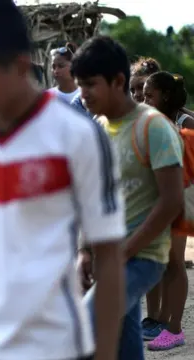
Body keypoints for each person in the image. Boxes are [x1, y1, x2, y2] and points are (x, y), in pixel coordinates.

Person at [0, 2, 126, 360]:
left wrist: (106, 354)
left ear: (19, 65)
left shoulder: (78, 136)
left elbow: (108, 257)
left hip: (55, 344)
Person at [73, 36, 184, 359]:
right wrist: (84, 250)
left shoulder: (155, 127)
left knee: (85, 325)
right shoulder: (97, 127)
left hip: (144, 257)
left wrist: (126, 251)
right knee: (126, 340)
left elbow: (171, 201)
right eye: (79, 85)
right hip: (109, 254)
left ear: (118, 81)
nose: (83, 94)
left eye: (90, 85)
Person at [140, 71, 191, 350]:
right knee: (161, 264)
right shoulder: (153, 122)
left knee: (174, 264)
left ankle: (174, 330)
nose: (143, 100)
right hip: (159, 202)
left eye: (149, 95)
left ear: (166, 96)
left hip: (180, 203)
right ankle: (161, 322)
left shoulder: (186, 123)